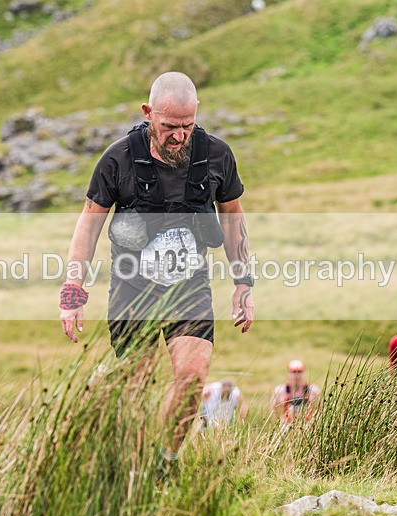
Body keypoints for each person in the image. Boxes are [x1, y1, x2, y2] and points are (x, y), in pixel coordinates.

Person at [59, 72, 254, 479]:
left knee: (192, 377)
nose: (180, 136)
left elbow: (233, 218)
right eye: (169, 127)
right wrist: (73, 288)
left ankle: (162, 464)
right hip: (133, 289)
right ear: (148, 113)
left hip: (190, 286)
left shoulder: (217, 154)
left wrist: (243, 282)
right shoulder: (117, 159)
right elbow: (88, 226)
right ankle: (102, 432)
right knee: (133, 384)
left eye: (187, 126)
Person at [271, 359, 321, 424]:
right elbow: (273, 411)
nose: (297, 375)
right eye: (294, 372)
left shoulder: (313, 391)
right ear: (288, 373)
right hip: (286, 426)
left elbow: (321, 410)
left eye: (299, 371)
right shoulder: (279, 391)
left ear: (303, 373)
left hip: (307, 426)